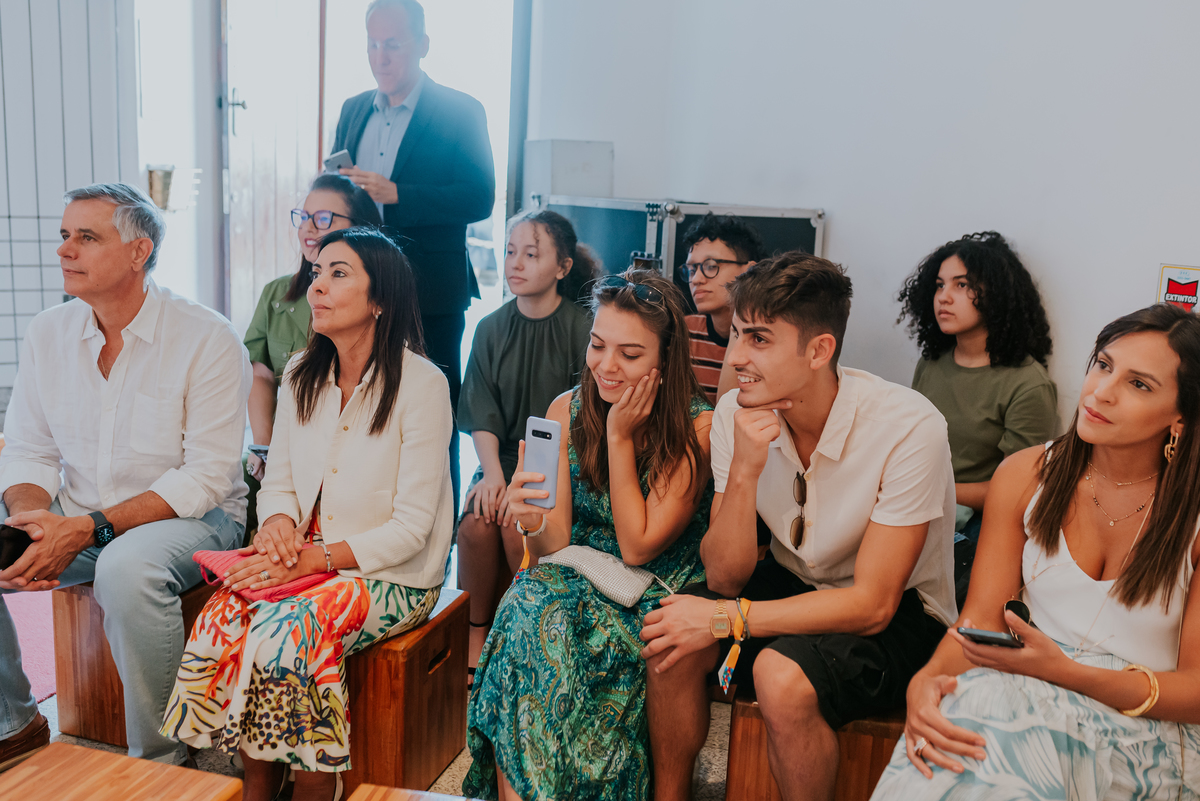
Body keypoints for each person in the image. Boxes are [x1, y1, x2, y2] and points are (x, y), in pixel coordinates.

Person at [640, 252, 958, 801]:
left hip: (902, 611)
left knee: (780, 678)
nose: (736, 356)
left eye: (758, 339)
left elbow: (873, 604)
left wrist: (724, 620)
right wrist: (742, 471)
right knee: (671, 635)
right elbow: (725, 574)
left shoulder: (909, 426)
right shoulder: (736, 411)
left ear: (819, 350)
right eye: (736, 334)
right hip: (795, 580)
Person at [161, 228, 454, 801]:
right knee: (224, 613)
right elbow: (282, 484)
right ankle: (259, 785)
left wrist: (313, 558)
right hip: (305, 552)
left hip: (388, 572)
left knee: (285, 630)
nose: (316, 284)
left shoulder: (423, 384)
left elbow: (412, 529)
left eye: (338, 273)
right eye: (317, 271)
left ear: (380, 301)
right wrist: (274, 526)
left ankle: (317, 788)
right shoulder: (300, 372)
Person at [872, 304, 1200, 800]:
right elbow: (981, 619)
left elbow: (1196, 693)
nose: (1102, 392)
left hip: (1147, 727)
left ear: (1182, 415)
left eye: (1139, 384)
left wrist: (1066, 673)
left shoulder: (1192, 515)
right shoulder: (1027, 474)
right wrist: (927, 680)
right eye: (1104, 364)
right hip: (1027, 692)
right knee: (959, 725)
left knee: (996, 735)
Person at [0, 183, 250, 768]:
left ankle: (165, 764)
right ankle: (15, 721)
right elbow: (29, 449)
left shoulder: (208, 337)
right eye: (64, 235)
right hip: (78, 512)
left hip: (195, 519)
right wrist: (32, 518)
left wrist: (85, 529)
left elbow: (206, 478)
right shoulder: (48, 332)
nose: (66, 250)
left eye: (87, 237)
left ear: (140, 252)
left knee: (125, 566)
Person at [464, 270, 715, 801]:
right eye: (598, 345)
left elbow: (639, 546)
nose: (605, 366)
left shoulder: (698, 427)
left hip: (654, 590)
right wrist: (530, 519)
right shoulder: (567, 408)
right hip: (581, 575)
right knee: (525, 605)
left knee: (538, 616)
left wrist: (620, 436)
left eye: (629, 354)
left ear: (665, 363)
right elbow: (554, 542)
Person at [330, 0, 496, 508]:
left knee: (431, 408)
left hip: (432, 288)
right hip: (361, 284)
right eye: (372, 45)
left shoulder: (460, 110)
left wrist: (399, 194)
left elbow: (479, 196)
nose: (381, 57)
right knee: (363, 401)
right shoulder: (354, 108)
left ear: (422, 45)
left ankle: (436, 528)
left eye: (393, 44)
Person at [456, 209, 597, 681]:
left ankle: (527, 629)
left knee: (517, 525)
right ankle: (476, 632)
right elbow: (480, 410)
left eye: (531, 254)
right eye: (510, 251)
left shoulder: (583, 330)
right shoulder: (490, 327)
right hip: (500, 459)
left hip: (560, 463)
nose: (516, 263)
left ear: (562, 267)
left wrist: (523, 482)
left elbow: (586, 419)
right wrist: (492, 475)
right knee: (477, 524)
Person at [898, 231, 1058, 544]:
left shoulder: (1027, 384)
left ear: (995, 294)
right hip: (916, 501)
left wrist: (932, 488)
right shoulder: (931, 362)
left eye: (962, 284)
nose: (944, 297)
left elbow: (1019, 490)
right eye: (940, 285)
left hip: (974, 523)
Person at [242, 174, 382, 530]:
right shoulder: (277, 293)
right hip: (283, 440)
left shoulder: (373, 299)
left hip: (351, 449)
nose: (307, 227)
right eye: (303, 216)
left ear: (360, 227)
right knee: (242, 486)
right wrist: (263, 445)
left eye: (322, 218)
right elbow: (259, 372)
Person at [679, 212, 766, 404]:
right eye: (692, 269)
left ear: (749, 271)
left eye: (711, 266)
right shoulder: (682, 333)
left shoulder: (768, 340)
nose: (696, 279)